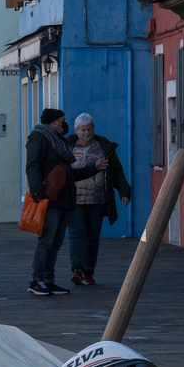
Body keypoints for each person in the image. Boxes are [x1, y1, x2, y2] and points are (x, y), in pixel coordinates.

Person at [25, 108, 106, 295]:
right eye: (62, 120)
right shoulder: (39, 138)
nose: (65, 123)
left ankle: (48, 280)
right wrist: (38, 195)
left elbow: (69, 174)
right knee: (46, 241)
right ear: (54, 122)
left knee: (55, 242)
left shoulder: (59, 141)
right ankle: (36, 280)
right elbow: (33, 165)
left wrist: (93, 168)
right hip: (48, 199)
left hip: (62, 199)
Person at [65, 113, 131, 286]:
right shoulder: (67, 146)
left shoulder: (104, 147)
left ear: (94, 128)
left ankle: (88, 271)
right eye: (83, 129)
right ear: (76, 130)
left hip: (98, 200)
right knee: (76, 234)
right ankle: (77, 269)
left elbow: (116, 171)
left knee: (93, 236)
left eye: (90, 129)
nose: (87, 132)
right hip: (75, 200)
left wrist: (124, 191)